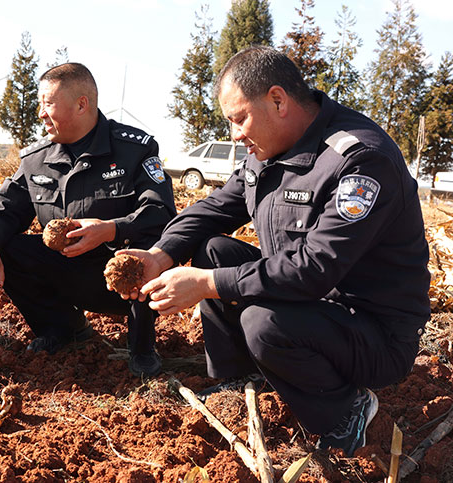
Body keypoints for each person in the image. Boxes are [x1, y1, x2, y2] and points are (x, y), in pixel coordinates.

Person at [112, 46, 430, 455]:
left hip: (373, 333)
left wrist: (207, 284)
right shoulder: (267, 154)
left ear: (278, 100)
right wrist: (161, 254)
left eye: (238, 118)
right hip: (310, 305)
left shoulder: (360, 160)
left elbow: (314, 268)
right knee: (213, 248)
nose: (235, 134)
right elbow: (212, 211)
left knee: (264, 323)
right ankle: (239, 377)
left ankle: (345, 410)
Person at [0, 63, 176, 377]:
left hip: (123, 280)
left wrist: (111, 230)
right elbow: (3, 210)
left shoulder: (134, 149)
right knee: (7, 246)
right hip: (66, 271)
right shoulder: (37, 159)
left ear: (81, 104)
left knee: (146, 247)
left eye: (48, 104)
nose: (41, 113)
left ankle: (143, 347)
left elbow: (160, 212)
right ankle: (63, 330)